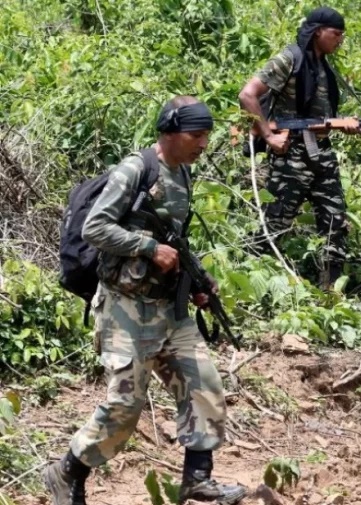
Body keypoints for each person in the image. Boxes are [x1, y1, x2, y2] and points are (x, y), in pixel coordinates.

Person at [42, 96, 246, 505]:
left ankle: (197, 479)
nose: (204, 143)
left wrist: (198, 280)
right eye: (197, 134)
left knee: (203, 385)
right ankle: (67, 472)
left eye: (207, 134)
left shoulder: (183, 173)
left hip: (170, 309)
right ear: (169, 131)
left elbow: (174, 237)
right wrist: (147, 248)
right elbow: (96, 228)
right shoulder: (135, 170)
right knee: (124, 407)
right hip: (126, 308)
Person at [238, 5, 361, 289]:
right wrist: (269, 136)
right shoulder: (290, 58)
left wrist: (342, 124)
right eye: (336, 33)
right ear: (318, 31)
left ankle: (331, 292)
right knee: (275, 224)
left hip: (321, 152)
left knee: (336, 222)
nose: (340, 39)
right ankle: (250, 283)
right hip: (291, 153)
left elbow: (317, 118)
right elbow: (247, 95)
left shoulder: (323, 65)